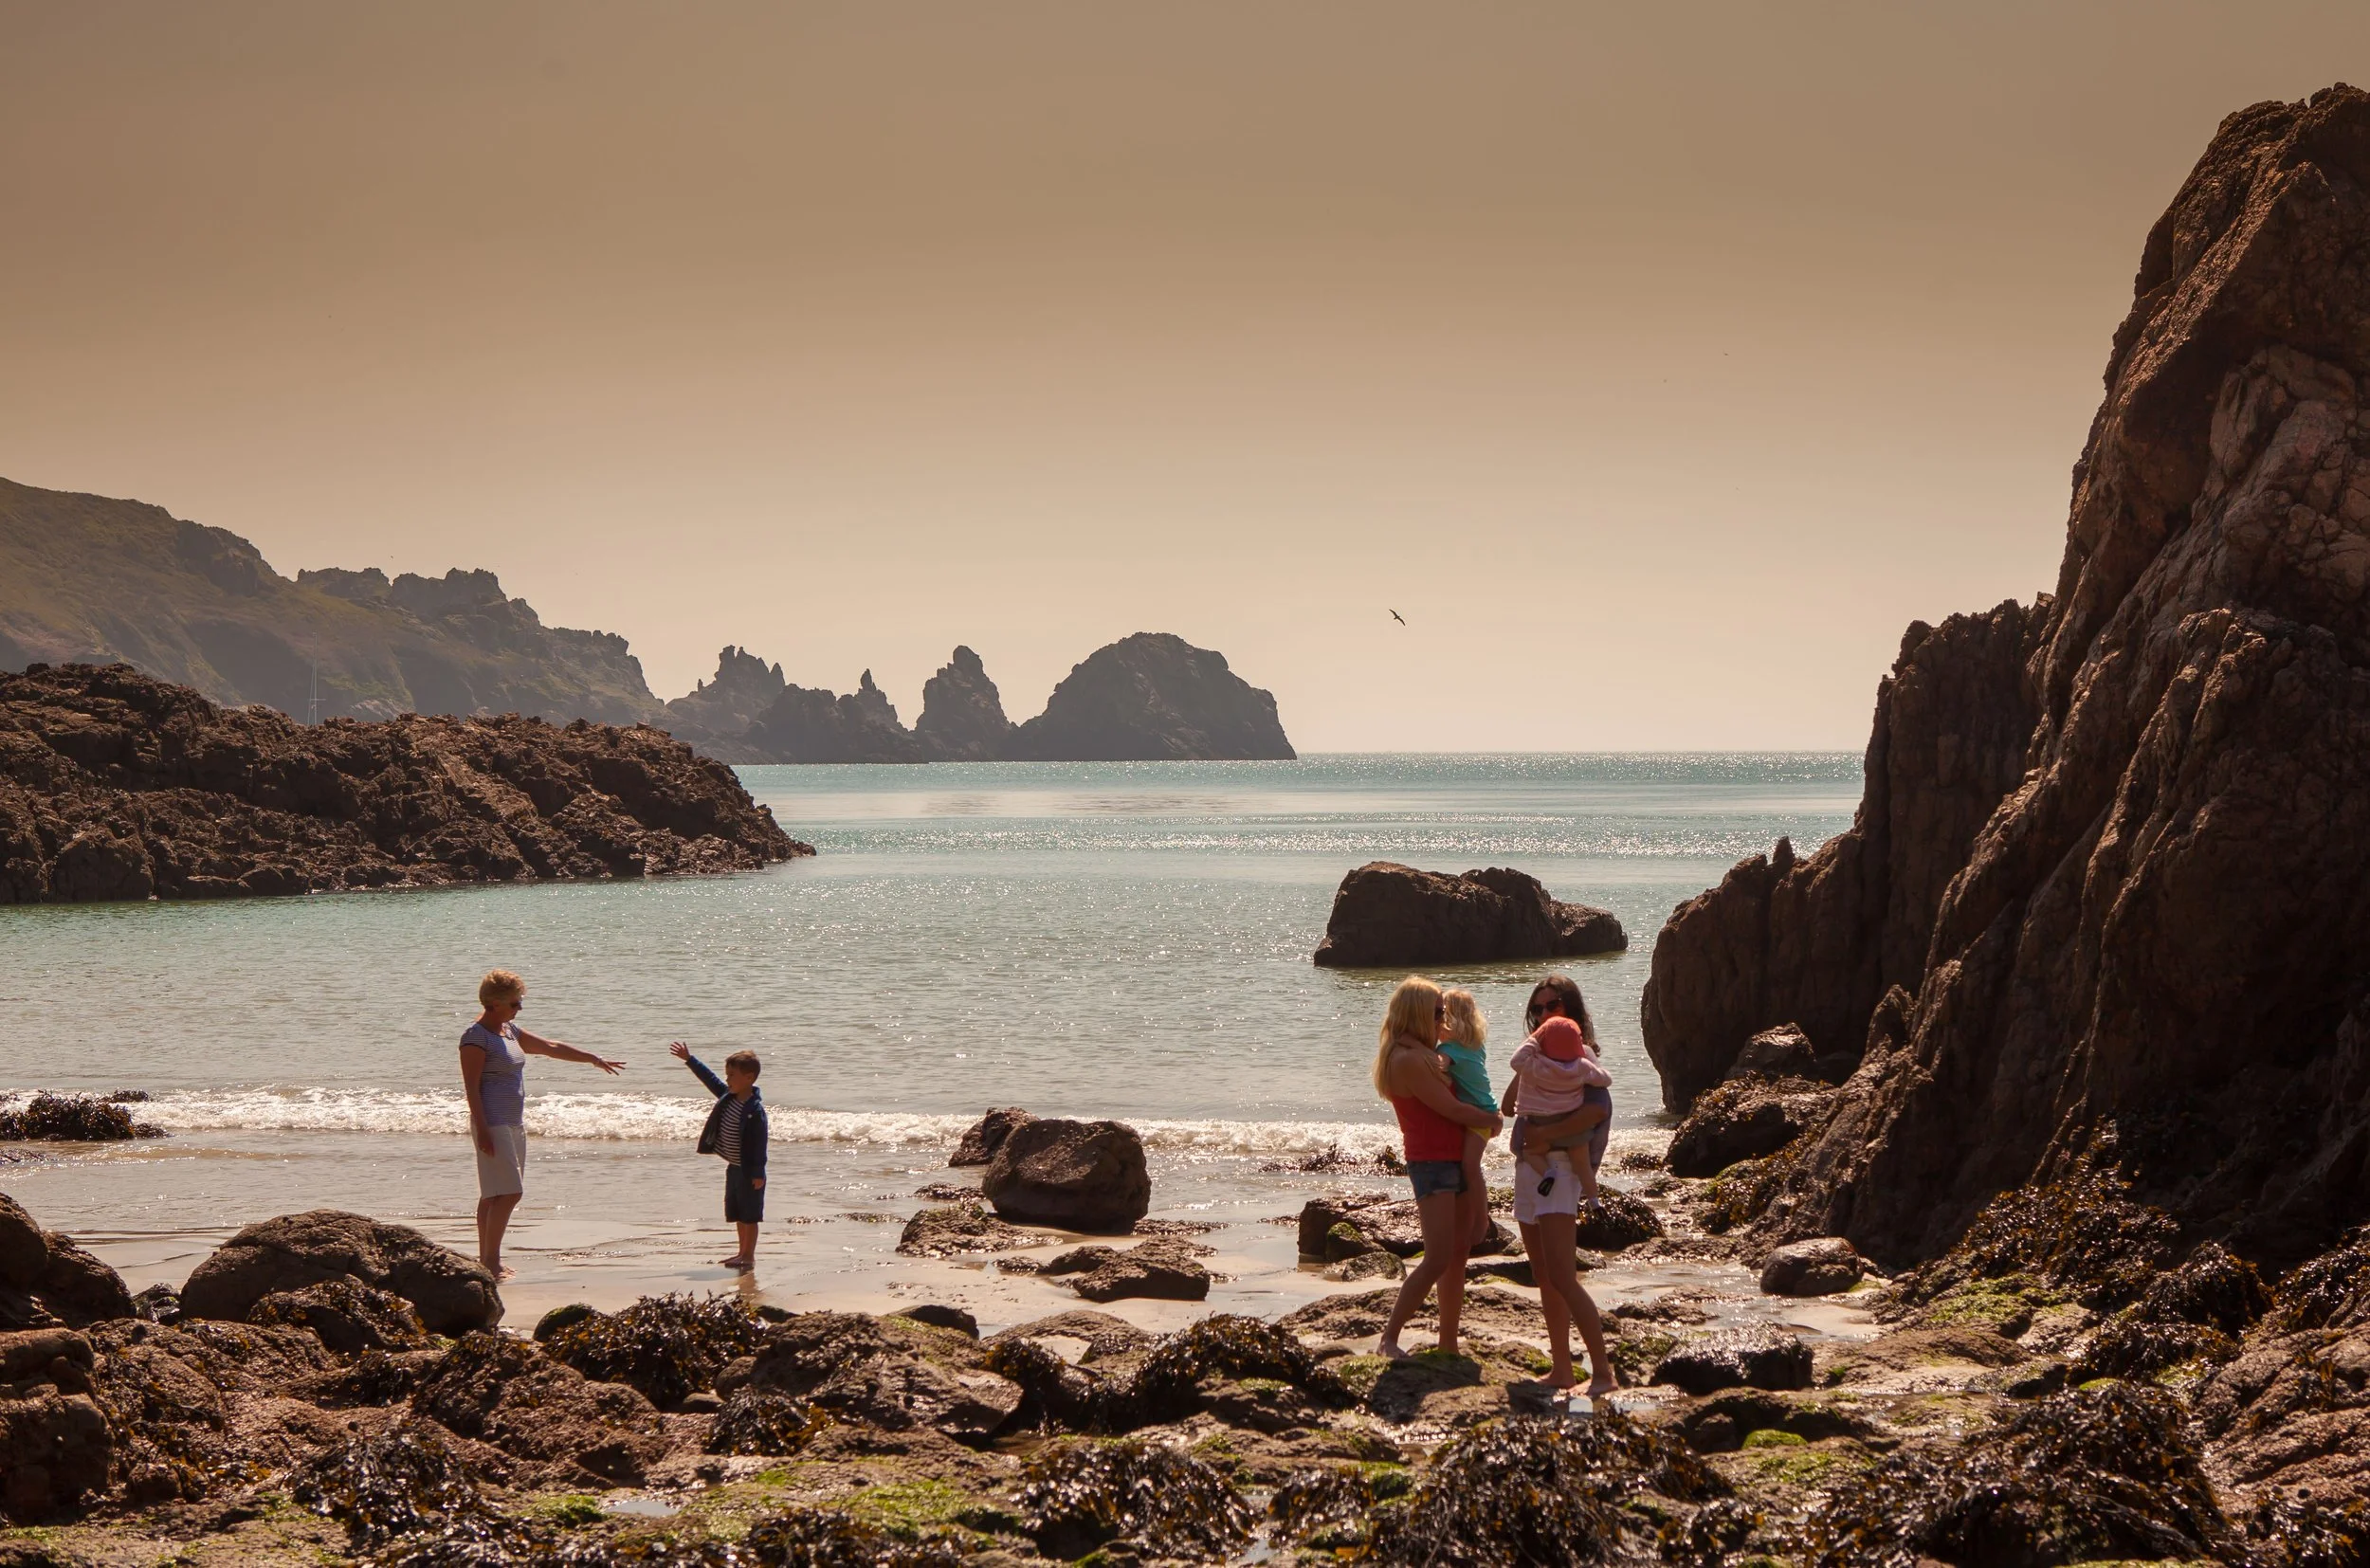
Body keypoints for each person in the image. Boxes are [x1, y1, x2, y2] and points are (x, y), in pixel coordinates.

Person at [458, 969, 625, 1281]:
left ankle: (487, 1260)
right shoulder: (474, 1038)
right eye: (514, 1003)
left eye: (519, 1002)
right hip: (491, 1122)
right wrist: (481, 1129)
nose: (518, 1008)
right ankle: (491, 1262)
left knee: (494, 1194)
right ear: (493, 1003)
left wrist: (592, 1058)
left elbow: (550, 1046)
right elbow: (472, 1088)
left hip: (512, 1122)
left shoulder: (510, 1031)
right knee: (509, 1193)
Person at [1372, 975, 1503, 1359]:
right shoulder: (1408, 1059)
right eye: (1437, 1012)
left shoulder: (1416, 1051)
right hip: (1432, 1162)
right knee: (1438, 1257)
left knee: (1458, 1255)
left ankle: (1448, 1342)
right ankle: (1389, 1339)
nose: (1444, 1018)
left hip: (1452, 1157)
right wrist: (1489, 1119)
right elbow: (1449, 1109)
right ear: (1417, 1014)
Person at [1508, 973, 1619, 1398]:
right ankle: (1561, 1368)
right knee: (1543, 1274)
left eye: (1550, 1006)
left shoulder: (1582, 1056)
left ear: (1569, 1009)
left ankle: (1603, 1371)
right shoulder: (1538, 1057)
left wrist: (1544, 1137)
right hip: (1530, 1168)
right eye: (1536, 1008)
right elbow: (1506, 1107)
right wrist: (1534, 1066)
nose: (1542, 1014)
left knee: (1563, 1274)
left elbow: (1594, 1113)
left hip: (1561, 1170)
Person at [669, 1042, 768, 1270]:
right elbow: (710, 1079)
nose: (727, 1080)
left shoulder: (755, 1111)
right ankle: (740, 1253)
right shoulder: (728, 1096)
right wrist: (689, 1059)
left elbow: (759, 1145)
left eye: (732, 1075)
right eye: (727, 1075)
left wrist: (759, 1173)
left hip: (749, 1171)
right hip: (733, 1167)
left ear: (749, 1078)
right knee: (738, 1213)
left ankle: (749, 1256)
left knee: (750, 1216)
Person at [1504, 1014, 1612, 1206]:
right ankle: (1594, 1200)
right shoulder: (1581, 1066)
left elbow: (1516, 1060)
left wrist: (1534, 1039)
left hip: (1539, 1122)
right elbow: (1605, 1080)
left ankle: (1547, 1173)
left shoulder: (1535, 1065)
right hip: (1571, 1123)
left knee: (1530, 1153)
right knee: (1582, 1163)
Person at [1436, 988, 1497, 1249]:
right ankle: (1475, 1214)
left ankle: (1482, 1219)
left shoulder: (1450, 1050)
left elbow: (1435, 1066)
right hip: (1487, 1110)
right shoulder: (1474, 1045)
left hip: (1479, 1117)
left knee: (1470, 1166)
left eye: (1440, 1016)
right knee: (1467, 1167)